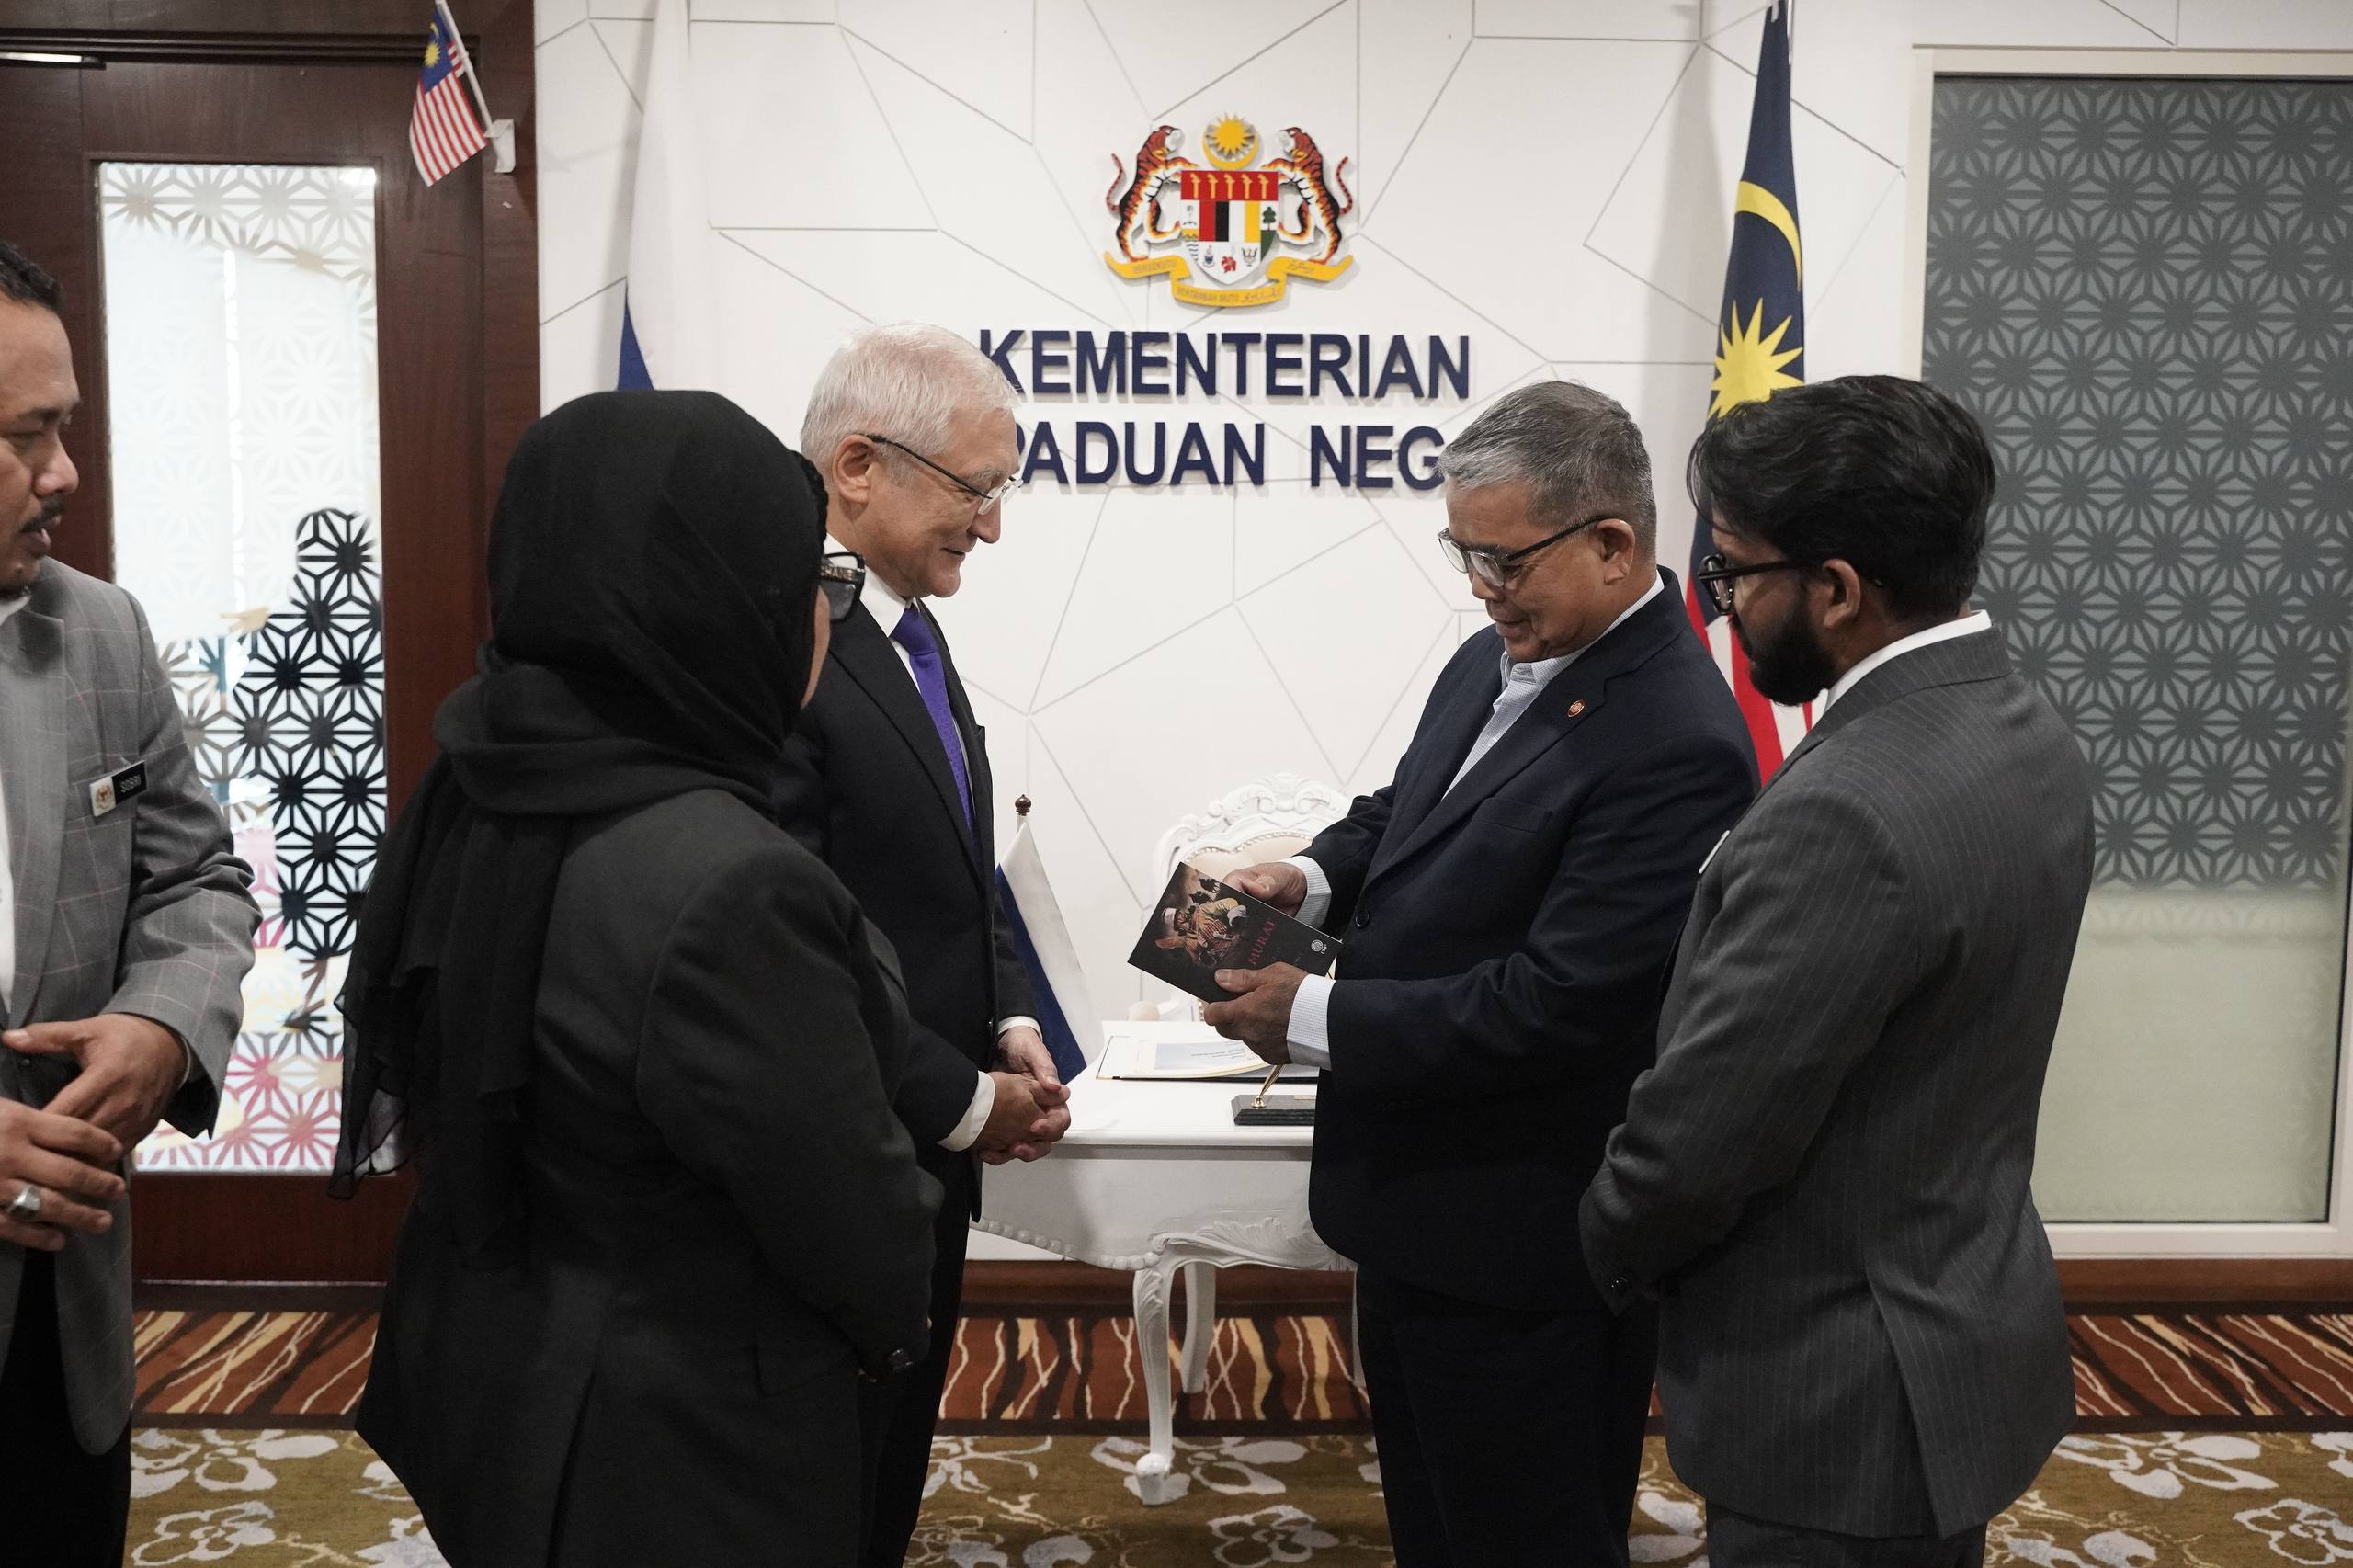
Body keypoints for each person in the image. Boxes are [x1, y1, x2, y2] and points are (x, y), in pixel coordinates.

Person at [335, 391, 936, 1567]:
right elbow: (852, 1220)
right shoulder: (732, 882)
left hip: (506, 1379)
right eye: (811, 580)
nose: (820, 614)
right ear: (723, 601)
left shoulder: (486, 769)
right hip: (684, 1454)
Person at [1207, 381, 1756, 1566]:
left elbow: (1557, 1005)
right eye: (1462, 552)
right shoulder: (1491, 655)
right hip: (1415, 1208)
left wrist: (1309, 1012)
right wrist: (1307, 875)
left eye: (1505, 560)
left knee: (1522, 1536)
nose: (1479, 587)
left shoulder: (1678, 738)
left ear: (1613, 544)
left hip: (1525, 1245)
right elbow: (1403, 809)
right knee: (1436, 1526)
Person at [1582, 376, 2094, 1568]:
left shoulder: (1849, 809)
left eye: (1731, 574)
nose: (1720, 610)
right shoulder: (2025, 729)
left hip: (1834, 1396)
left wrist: (1602, 1240)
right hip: (1952, 1321)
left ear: (1839, 589)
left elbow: (1704, 1138)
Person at [779, 323, 1072, 1567]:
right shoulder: (786, 642)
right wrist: (957, 1095)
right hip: (838, 1148)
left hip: (924, 1145)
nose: (992, 526)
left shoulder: (906, 623)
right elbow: (792, 938)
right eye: (975, 488)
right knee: (825, 1481)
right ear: (859, 465)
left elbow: (955, 860)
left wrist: (1008, 1013)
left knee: (887, 1458)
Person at [0, 238, 258, 1567]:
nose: (64, 475)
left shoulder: (99, 630)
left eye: (67, 428)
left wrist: (163, 1024)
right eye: (25, 437)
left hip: (63, 1319)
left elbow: (197, 877)